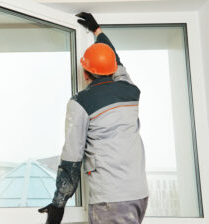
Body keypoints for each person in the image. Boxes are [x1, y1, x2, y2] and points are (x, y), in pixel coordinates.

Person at [39, 12, 149, 224]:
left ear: (85, 73)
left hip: (112, 199)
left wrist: (58, 204)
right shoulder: (130, 90)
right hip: (139, 195)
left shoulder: (81, 102)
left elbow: (72, 159)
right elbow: (115, 60)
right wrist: (97, 30)